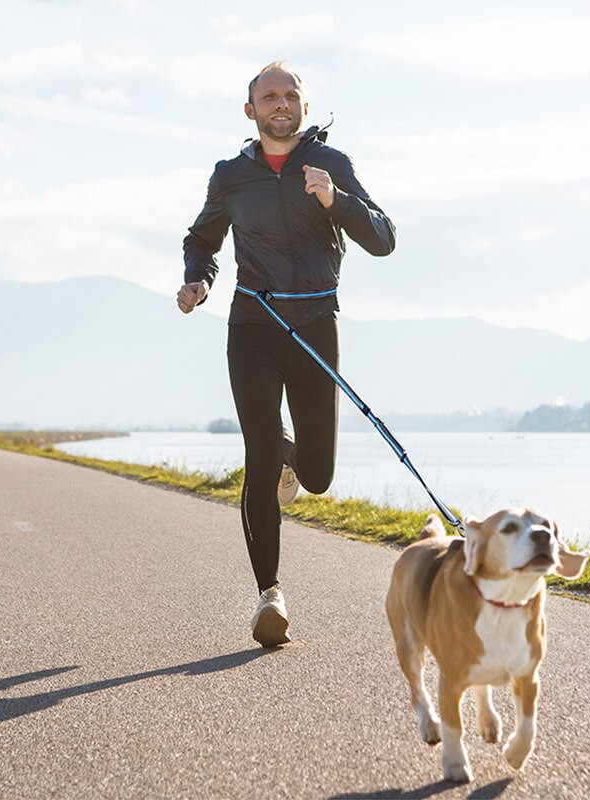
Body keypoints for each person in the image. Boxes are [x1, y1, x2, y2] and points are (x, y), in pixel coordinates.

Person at [177, 62, 396, 647]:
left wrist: (338, 200)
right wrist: (197, 280)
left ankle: (293, 458)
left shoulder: (333, 166)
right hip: (254, 325)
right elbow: (202, 240)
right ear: (250, 111)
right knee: (260, 453)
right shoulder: (230, 176)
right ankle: (268, 595)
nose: (280, 103)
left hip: (317, 326)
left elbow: (383, 238)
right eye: (268, 96)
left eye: (289, 95)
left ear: (303, 105)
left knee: (319, 476)